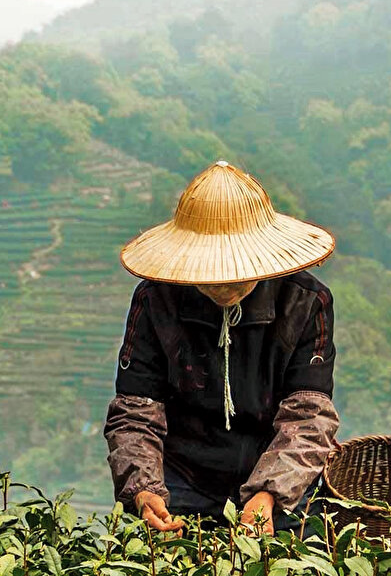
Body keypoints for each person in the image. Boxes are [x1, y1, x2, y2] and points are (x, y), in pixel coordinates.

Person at [103, 160, 340, 536]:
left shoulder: (305, 302)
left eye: (236, 269)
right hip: (183, 474)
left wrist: (269, 492)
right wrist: (144, 490)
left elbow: (309, 418)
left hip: (277, 467)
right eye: (213, 270)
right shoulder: (156, 300)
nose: (225, 284)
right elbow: (135, 412)